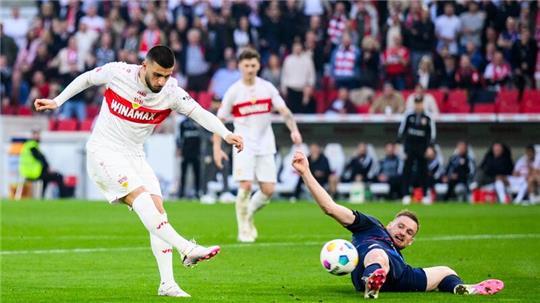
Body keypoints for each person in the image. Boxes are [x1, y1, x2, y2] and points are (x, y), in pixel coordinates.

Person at [34, 45, 244, 298]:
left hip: (135, 155)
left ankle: (167, 284)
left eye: (167, 75)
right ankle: (187, 248)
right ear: (144, 66)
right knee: (142, 198)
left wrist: (226, 133)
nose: (161, 81)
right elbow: (87, 78)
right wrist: (57, 101)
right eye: (157, 74)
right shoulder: (118, 73)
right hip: (104, 151)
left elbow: (199, 113)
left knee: (158, 211)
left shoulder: (171, 91)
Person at [291, 151, 504, 299]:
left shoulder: (399, 254)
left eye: (409, 233)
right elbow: (330, 207)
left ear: (411, 242)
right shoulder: (371, 226)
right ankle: (371, 282)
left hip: (400, 274)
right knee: (378, 254)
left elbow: (415, 268)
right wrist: (306, 173)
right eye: (401, 226)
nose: (403, 233)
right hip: (369, 265)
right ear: (390, 224)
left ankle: (461, 288)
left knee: (445, 271)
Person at [213, 48, 302, 243]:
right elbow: (218, 121)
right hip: (243, 144)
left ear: (259, 66)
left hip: (265, 143)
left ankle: (248, 213)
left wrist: (293, 129)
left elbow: (284, 111)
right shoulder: (234, 91)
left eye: (253, 65)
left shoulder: (267, 88)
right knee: (245, 185)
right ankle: (243, 228)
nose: (250, 69)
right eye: (246, 66)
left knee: (268, 190)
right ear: (239, 67)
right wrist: (217, 149)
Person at [398, 96, 436, 204]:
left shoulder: (428, 117)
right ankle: (405, 195)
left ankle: (425, 195)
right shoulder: (408, 116)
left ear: (423, 104)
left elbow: (431, 134)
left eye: (420, 103)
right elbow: (402, 131)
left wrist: (430, 147)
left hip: (422, 148)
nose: (418, 105)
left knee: (423, 171)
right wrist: (400, 145)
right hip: (410, 148)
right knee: (407, 171)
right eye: (416, 103)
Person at [19, 130, 70, 198]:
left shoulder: (27, 146)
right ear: (33, 136)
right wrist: (48, 168)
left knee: (46, 178)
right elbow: (41, 158)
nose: (39, 137)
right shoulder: (32, 146)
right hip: (34, 173)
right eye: (37, 135)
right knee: (58, 176)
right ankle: (64, 197)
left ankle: (41, 196)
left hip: (28, 173)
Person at [176, 117, 203, 199]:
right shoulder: (183, 123)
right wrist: (179, 149)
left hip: (196, 152)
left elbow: (202, 138)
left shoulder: (199, 122)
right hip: (186, 152)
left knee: (197, 173)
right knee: (183, 173)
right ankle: (181, 193)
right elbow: (179, 137)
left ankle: (198, 192)